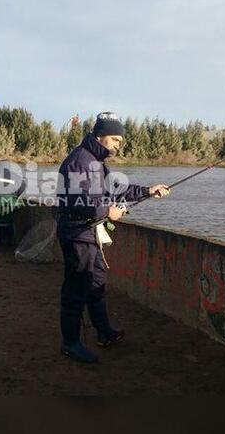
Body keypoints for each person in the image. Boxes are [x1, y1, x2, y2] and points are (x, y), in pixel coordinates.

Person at [57, 112, 170, 363]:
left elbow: (117, 189)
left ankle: (104, 332)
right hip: (77, 234)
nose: (119, 144)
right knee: (76, 288)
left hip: (89, 233)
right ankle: (70, 343)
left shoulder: (96, 161)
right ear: (100, 136)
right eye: (115, 139)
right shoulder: (80, 161)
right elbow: (74, 200)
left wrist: (148, 191)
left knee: (96, 281)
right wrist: (107, 211)